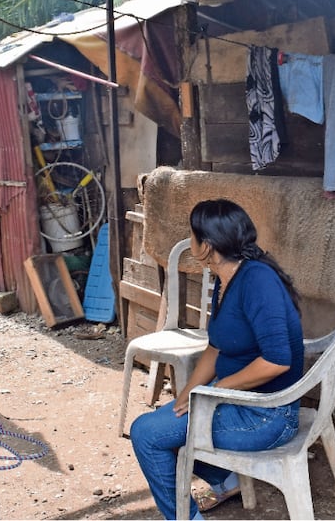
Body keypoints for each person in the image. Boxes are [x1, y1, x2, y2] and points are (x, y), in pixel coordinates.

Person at [130, 199, 304, 519]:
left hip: (267, 416)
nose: (191, 241)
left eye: (193, 236)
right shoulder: (228, 277)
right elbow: (216, 347)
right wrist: (189, 395)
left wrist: (219, 388)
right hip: (239, 403)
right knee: (167, 423)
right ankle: (226, 479)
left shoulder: (257, 281)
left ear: (206, 246)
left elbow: (278, 361)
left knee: (146, 434)